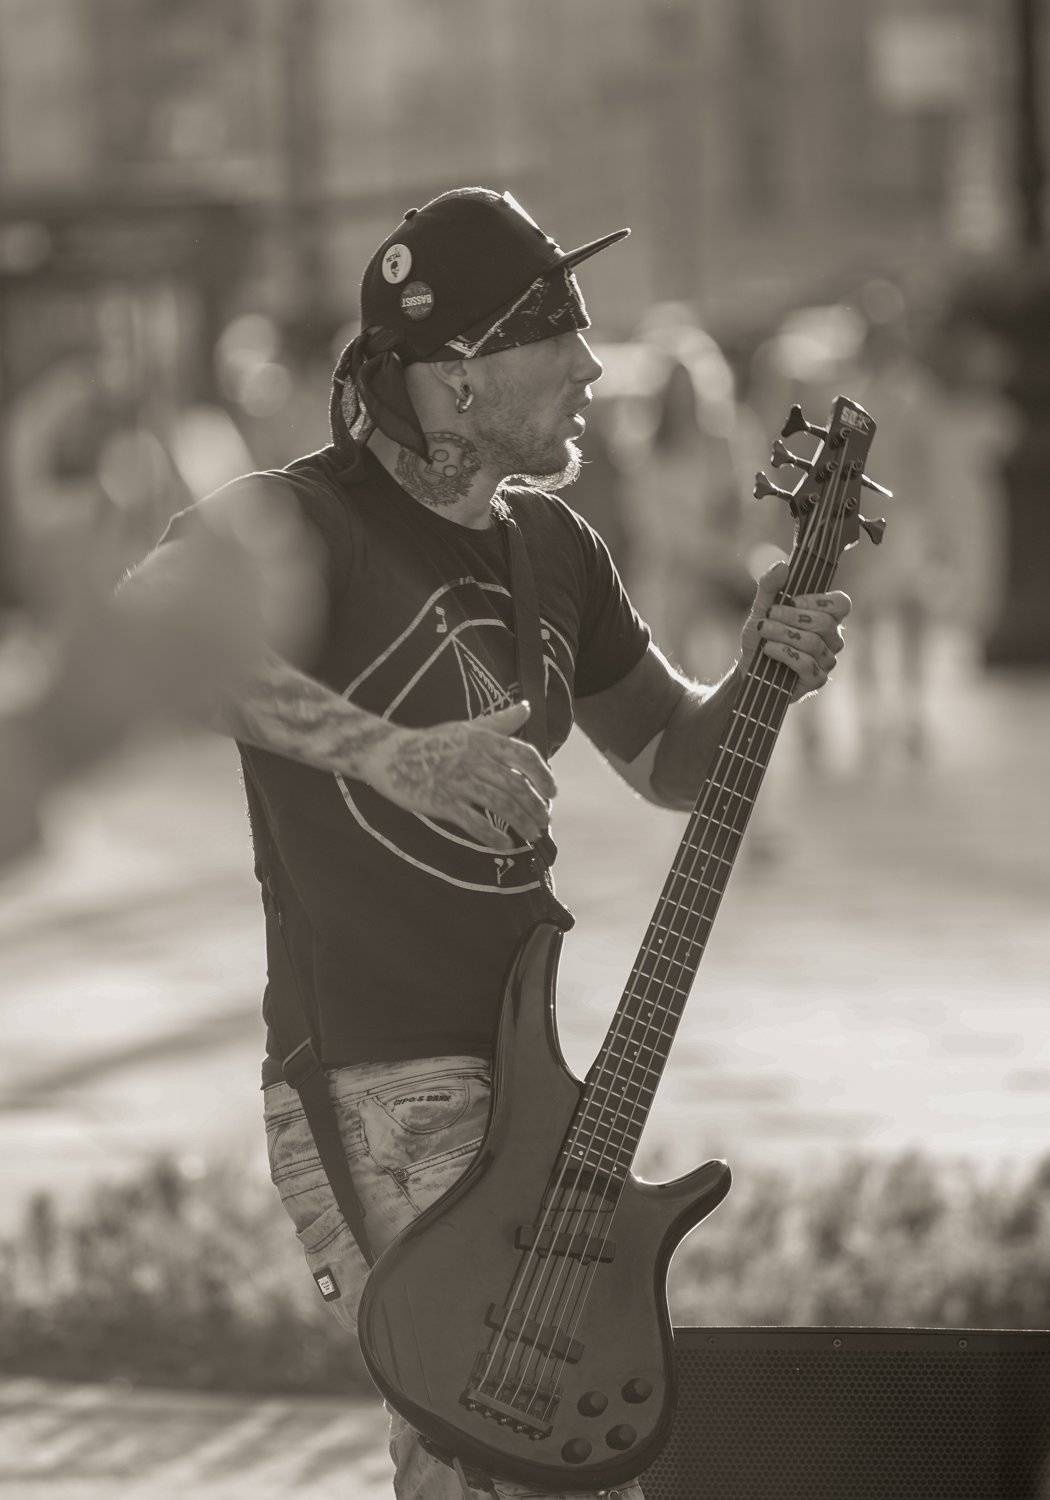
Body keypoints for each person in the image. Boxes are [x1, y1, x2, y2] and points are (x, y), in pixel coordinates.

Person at [119, 187, 850, 1500]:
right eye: (558, 337)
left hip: (531, 1082)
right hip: (372, 1077)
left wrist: (763, 674)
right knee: (508, 1463)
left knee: (551, 1469)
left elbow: (669, 758)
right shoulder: (300, 522)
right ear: (457, 373)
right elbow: (151, 639)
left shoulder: (554, 547)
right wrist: (390, 752)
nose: (592, 368)